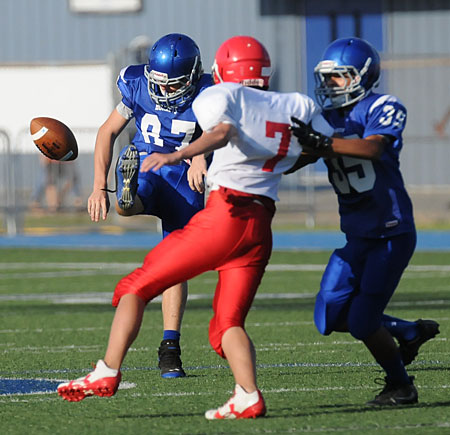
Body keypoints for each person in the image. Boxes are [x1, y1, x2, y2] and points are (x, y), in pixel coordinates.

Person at [58, 35, 323, 419]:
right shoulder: (290, 107)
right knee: (226, 324)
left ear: (216, 73)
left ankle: (106, 372)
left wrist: (188, 153)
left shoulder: (219, 97)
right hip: (259, 223)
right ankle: (248, 395)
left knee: (136, 286)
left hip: (222, 214)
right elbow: (312, 147)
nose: (164, 90)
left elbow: (221, 132)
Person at [288, 37, 440, 406]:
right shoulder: (324, 119)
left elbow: (372, 147)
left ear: (362, 76)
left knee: (361, 322)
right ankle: (407, 331)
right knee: (330, 317)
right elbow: (295, 159)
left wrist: (324, 144)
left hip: (391, 232)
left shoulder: (383, 106)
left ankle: (401, 387)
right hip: (356, 236)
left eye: (338, 77)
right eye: (326, 78)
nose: (329, 85)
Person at [87, 33, 212, 378]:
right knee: (130, 200)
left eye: (173, 85)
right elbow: (106, 131)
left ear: (191, 76)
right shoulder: (137, 84)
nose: (164, 91)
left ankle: (171, 345)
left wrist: (201, 155)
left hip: (185, 175)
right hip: (149, 163)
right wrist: (99, 186)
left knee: (177, 263)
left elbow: (220, 129)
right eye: (159, 84)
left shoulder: (209, 91)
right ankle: (128, 194)